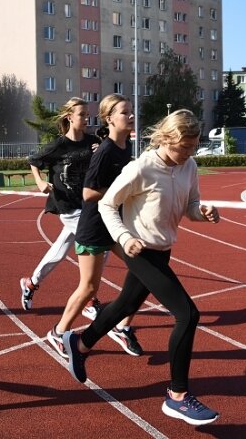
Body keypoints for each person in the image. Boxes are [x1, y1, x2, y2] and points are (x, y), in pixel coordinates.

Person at [62, 109, 221, 426]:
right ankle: (177, 396)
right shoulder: (141, 168)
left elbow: (190, 206)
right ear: (167, 139)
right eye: (184, 148)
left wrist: (204, 212)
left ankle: (79, 344)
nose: (189, 154)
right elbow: (105, 204)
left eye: (192, 148)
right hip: (138, 248)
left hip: (162, 250)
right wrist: (123, 237)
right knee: (187, 314)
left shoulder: (189, 166)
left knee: (126, 304)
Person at [46, 94, 142, 359]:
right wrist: (120, 191)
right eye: (125, 113)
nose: (131, 116)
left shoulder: (125, 147)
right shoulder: (106, 150)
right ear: (110, 118)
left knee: (145, 271)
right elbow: (88, 192)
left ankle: (122, 327)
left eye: (131, 111)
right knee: (89, 287)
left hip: (116, 225)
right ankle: (57, 331)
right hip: (94, 227)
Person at [19, 98, 101, 317]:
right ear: (69, 117)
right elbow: (34, 161)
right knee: (99, 241)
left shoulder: (93, 141)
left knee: (61, 248)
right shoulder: (59, 145)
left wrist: (102, 149)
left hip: (86, 203)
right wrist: (38, 181)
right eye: (82, 114)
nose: (86, 119)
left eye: (87, 115)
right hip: (66, 205)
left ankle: (31, 283)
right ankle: (89, 300)